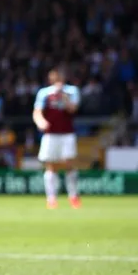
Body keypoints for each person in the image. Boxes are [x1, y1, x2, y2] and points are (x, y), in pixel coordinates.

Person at [33, 68, 82, 209]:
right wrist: (40, 121)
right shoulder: (44, 92)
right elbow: (37, 112)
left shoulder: (72, 91)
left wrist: (63, 96)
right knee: (50, 166)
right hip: (50, 134)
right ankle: (51, 198)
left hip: (67, 133)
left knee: (69, 164)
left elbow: (72, 109)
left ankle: (73, 196)